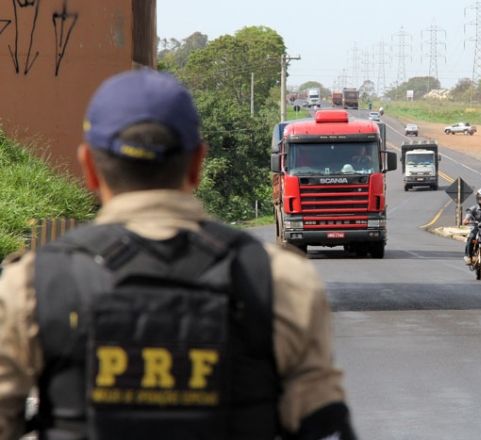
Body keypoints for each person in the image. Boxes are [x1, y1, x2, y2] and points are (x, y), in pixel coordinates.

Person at [0, 70, 357, 440]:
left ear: (89, 167)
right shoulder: (281, 281)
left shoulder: (31, 286)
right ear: (198, 163)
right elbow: (322, 424)